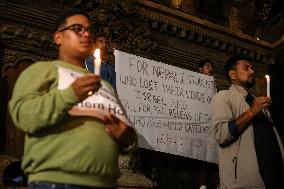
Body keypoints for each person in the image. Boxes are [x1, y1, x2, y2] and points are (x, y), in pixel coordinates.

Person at [9, 9, 137, 189]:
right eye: (77, 28)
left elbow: (128, 134)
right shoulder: (43, 71)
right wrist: (71, 95)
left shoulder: (105, 86)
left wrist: (126, 136)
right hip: (56, 181)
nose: (86, 34)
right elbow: (24, 116)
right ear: (58, 37)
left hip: (104, 183)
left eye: (88, 30)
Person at [210, 55, 284, 189]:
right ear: (232, 74)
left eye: (252, 68)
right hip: (246, 183)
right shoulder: (223, 97)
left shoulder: (257, 101)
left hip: (275, 179)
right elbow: (221, 135)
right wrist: (252, 111)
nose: (252, 72)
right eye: (246, 68)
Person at [196, 59, 219, 189]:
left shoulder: (215, 87)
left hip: (212, 124)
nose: (210, 69)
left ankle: (216, 183)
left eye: (212, 67)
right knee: (200, 154)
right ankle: (202, 184)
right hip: (199, 126)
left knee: (213, 154)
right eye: (207, 66)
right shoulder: (192, 84)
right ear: (200, 69)